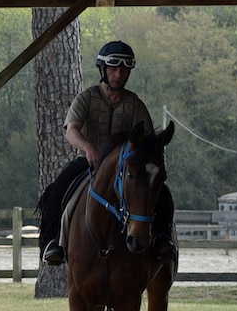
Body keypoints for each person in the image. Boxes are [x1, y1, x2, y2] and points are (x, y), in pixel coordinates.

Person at [39, 40, 176, 266]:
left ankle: (161, 238)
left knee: (163, 194)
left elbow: (149, 144)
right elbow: (71, 131)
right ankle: (53, 243)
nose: (118, 74)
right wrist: (88, 148)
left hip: (129, 167)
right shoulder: (86, 98)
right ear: (103, 70)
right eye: (113, 69)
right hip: (90, 162)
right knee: (56, 191)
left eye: (124, 70)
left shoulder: (135, 105)